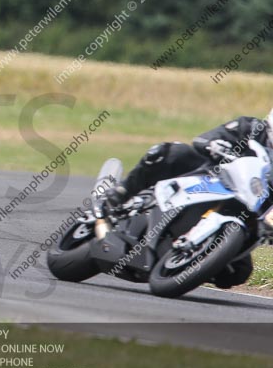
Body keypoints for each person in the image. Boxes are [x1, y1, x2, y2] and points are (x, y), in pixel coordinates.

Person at [103, 112, 273, 287]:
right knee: (169, 152)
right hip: (208, 180)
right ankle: (122, 193)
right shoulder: (251, 127)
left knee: (236, 274)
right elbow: (204, 139)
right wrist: (213, 144)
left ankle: (187, 264)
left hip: (245, 217)